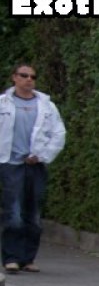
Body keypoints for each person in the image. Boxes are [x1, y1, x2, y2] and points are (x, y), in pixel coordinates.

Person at [1, 63, 66, 274]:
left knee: (34, 214)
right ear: (14, 78)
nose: (29, 79)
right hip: (11, 165)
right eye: (24, 75)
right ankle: (11, 258)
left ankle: (28, 258)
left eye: (32, 76)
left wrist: (42, 155)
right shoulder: (3, 104)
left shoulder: (46, 106)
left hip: (35, 165)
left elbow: (58, 134)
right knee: (15, 213)